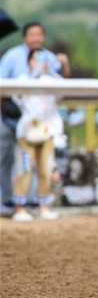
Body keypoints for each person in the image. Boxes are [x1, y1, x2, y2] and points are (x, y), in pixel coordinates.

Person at [0, 22, 69, 216]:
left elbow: (62, 85)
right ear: (25, 37)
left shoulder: (49, 69)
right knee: (15, 165)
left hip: (44, 129)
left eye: (39, 34)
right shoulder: (16, 62)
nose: (36, 38)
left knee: (44, 168)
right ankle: (10, 203)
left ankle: (38, 205)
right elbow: (12, 91)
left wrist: (61, 65)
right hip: (15, 121)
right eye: (32, 35)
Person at [11, 49, 64, 221]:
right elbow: (17, 96)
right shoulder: (23, 79)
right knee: (24, 169)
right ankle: (20, 207)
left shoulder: (50, 80)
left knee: (46, 169)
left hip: (47, 131)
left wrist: (50, 71)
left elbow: (63, 91)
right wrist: (34, 74)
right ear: (29, 62)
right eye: (35, 59)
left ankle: (43, 206)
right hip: (27, 131)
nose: (39, 62)